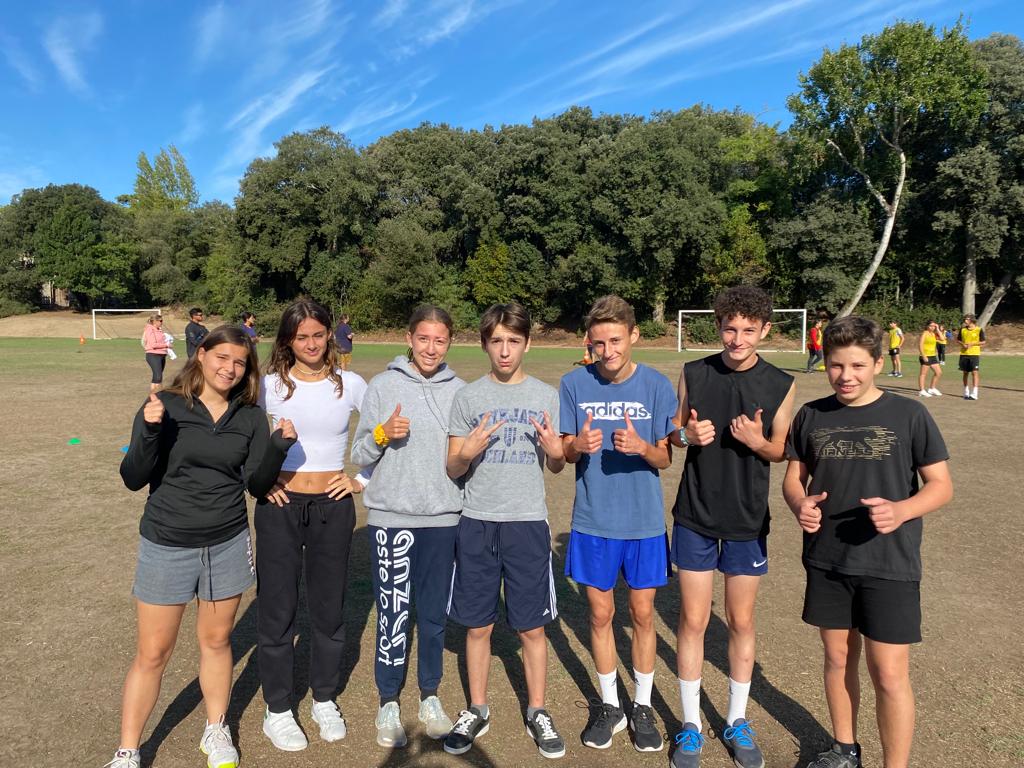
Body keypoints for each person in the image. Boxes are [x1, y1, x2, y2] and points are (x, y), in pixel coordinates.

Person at [107, 325, 297, 768]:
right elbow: (133, 477)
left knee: (216, 641)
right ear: (201, 354)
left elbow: (256, 484)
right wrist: (150, 430)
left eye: (240, 363)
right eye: (222, 358)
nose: (230, 369)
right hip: (167, 542)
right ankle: (128, 750)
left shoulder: (249, 417)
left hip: (226, 542)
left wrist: (278, 447)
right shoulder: (166, 406)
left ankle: (216, 728)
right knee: (153, 652)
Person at [783, 316, 953, 768]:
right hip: (827, 559)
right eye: (836, 365)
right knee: (838, 659)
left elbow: (941, 486)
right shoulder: (811, 414)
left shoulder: (909, 415)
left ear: (878, 363)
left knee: (889, 674)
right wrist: (799, 503)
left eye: (857, 365)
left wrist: (902, 510)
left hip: (889, 563)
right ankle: (844, 751)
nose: (846, 376)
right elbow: (793, 478)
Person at [669, 285, 796, 768]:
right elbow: (673, 434)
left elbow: (781, 449)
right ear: (718, 326)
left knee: (740, 621)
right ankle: (690, 725)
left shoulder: (781, 383)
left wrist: (758, 442)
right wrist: (686, 435)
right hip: (695, 515)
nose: (737, 338)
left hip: (747, 520)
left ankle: (736, 720)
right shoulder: (693, 372)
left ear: (765, 330)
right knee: (693, 620)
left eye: (748, 330)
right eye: (729, 328)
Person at [443, 303, 567, 759]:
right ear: (484, 345)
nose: (505, 350)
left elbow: (556, 464)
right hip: (476, 522)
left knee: (531, 627)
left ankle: (538, 710)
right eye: (496, 341)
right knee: (478, 625)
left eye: (513, 341)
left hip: (527, 524)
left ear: (527, 344)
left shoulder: (546, 396)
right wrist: (468, 450)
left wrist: (557, 452)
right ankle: (477, 708)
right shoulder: (468, 397)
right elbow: (453, 466)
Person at [558, 295, 677, 753]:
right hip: (593, 521)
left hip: (644, 522)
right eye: (598, 343)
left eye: (615, 340)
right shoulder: (574, 383)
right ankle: (610, 706)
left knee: (643, 615)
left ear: (634, 335)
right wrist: (578, 446)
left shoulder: (656, 385)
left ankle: (642, 706)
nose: (607, 351)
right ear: (589, 343)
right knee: (600, 614)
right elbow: (563, 450)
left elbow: (665, 457)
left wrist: (643, 448)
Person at [256, 300, 369, 751]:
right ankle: (278, 709)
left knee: (328, 608)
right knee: (277, 609)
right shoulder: (267, 386)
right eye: (301, 336)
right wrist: (261, 480)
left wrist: (360, 479)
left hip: (332, 505)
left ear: (329, 335)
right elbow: (243, 439)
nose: (311, 344)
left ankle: (324, 698)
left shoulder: (351, 384)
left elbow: (386, 433)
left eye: (318, 335)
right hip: (280, 506)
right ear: (288, 339)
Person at [351, 305, 465, 748]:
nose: (431, 348)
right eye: (423, 339)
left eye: (440, 340)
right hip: (392, 519)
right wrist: (382, 433)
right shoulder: (383, 385)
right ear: (409, 338)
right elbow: (360, 453)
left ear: (449, 342)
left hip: (443, 520)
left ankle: (430, 696)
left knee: (434, 615)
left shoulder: (461, 391)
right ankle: (388, 701)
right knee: (393, 614)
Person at [957, 314, 986, 400]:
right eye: (965, 319)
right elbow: (958, 340)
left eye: (967, 319)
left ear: (972, 320)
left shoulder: (979, 329)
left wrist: (973, 344)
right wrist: (963, 344)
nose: (965, 321)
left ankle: (974, 393)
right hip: (964, 354)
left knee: (974, 372)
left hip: (974, 354)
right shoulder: (962, 329)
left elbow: (983, 342)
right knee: (965, 373)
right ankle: (966, 392)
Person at [142, 314, 169, 393]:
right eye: (160, 321)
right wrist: (166, 345)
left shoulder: (159, 330)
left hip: (162, 355)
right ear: (155, 321)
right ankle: (158, 395)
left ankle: (153, 395)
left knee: (156, 377)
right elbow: (153, 344)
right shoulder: (149, 330)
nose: (162, 322)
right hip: (153, 355)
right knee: (158, 377)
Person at [916, 321, 942, 398]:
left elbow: (942, 338)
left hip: (933, 356)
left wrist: (938, 329)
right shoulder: (925, 333)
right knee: (923, 374)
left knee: (939, 372)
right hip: (925, 356)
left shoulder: (934, 333)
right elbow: (920, 345)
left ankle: (932, 389)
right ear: (927, 326)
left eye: (934, 326)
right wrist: (924, 356)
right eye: (931, 326)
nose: (932, 327)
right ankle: (922, 391)